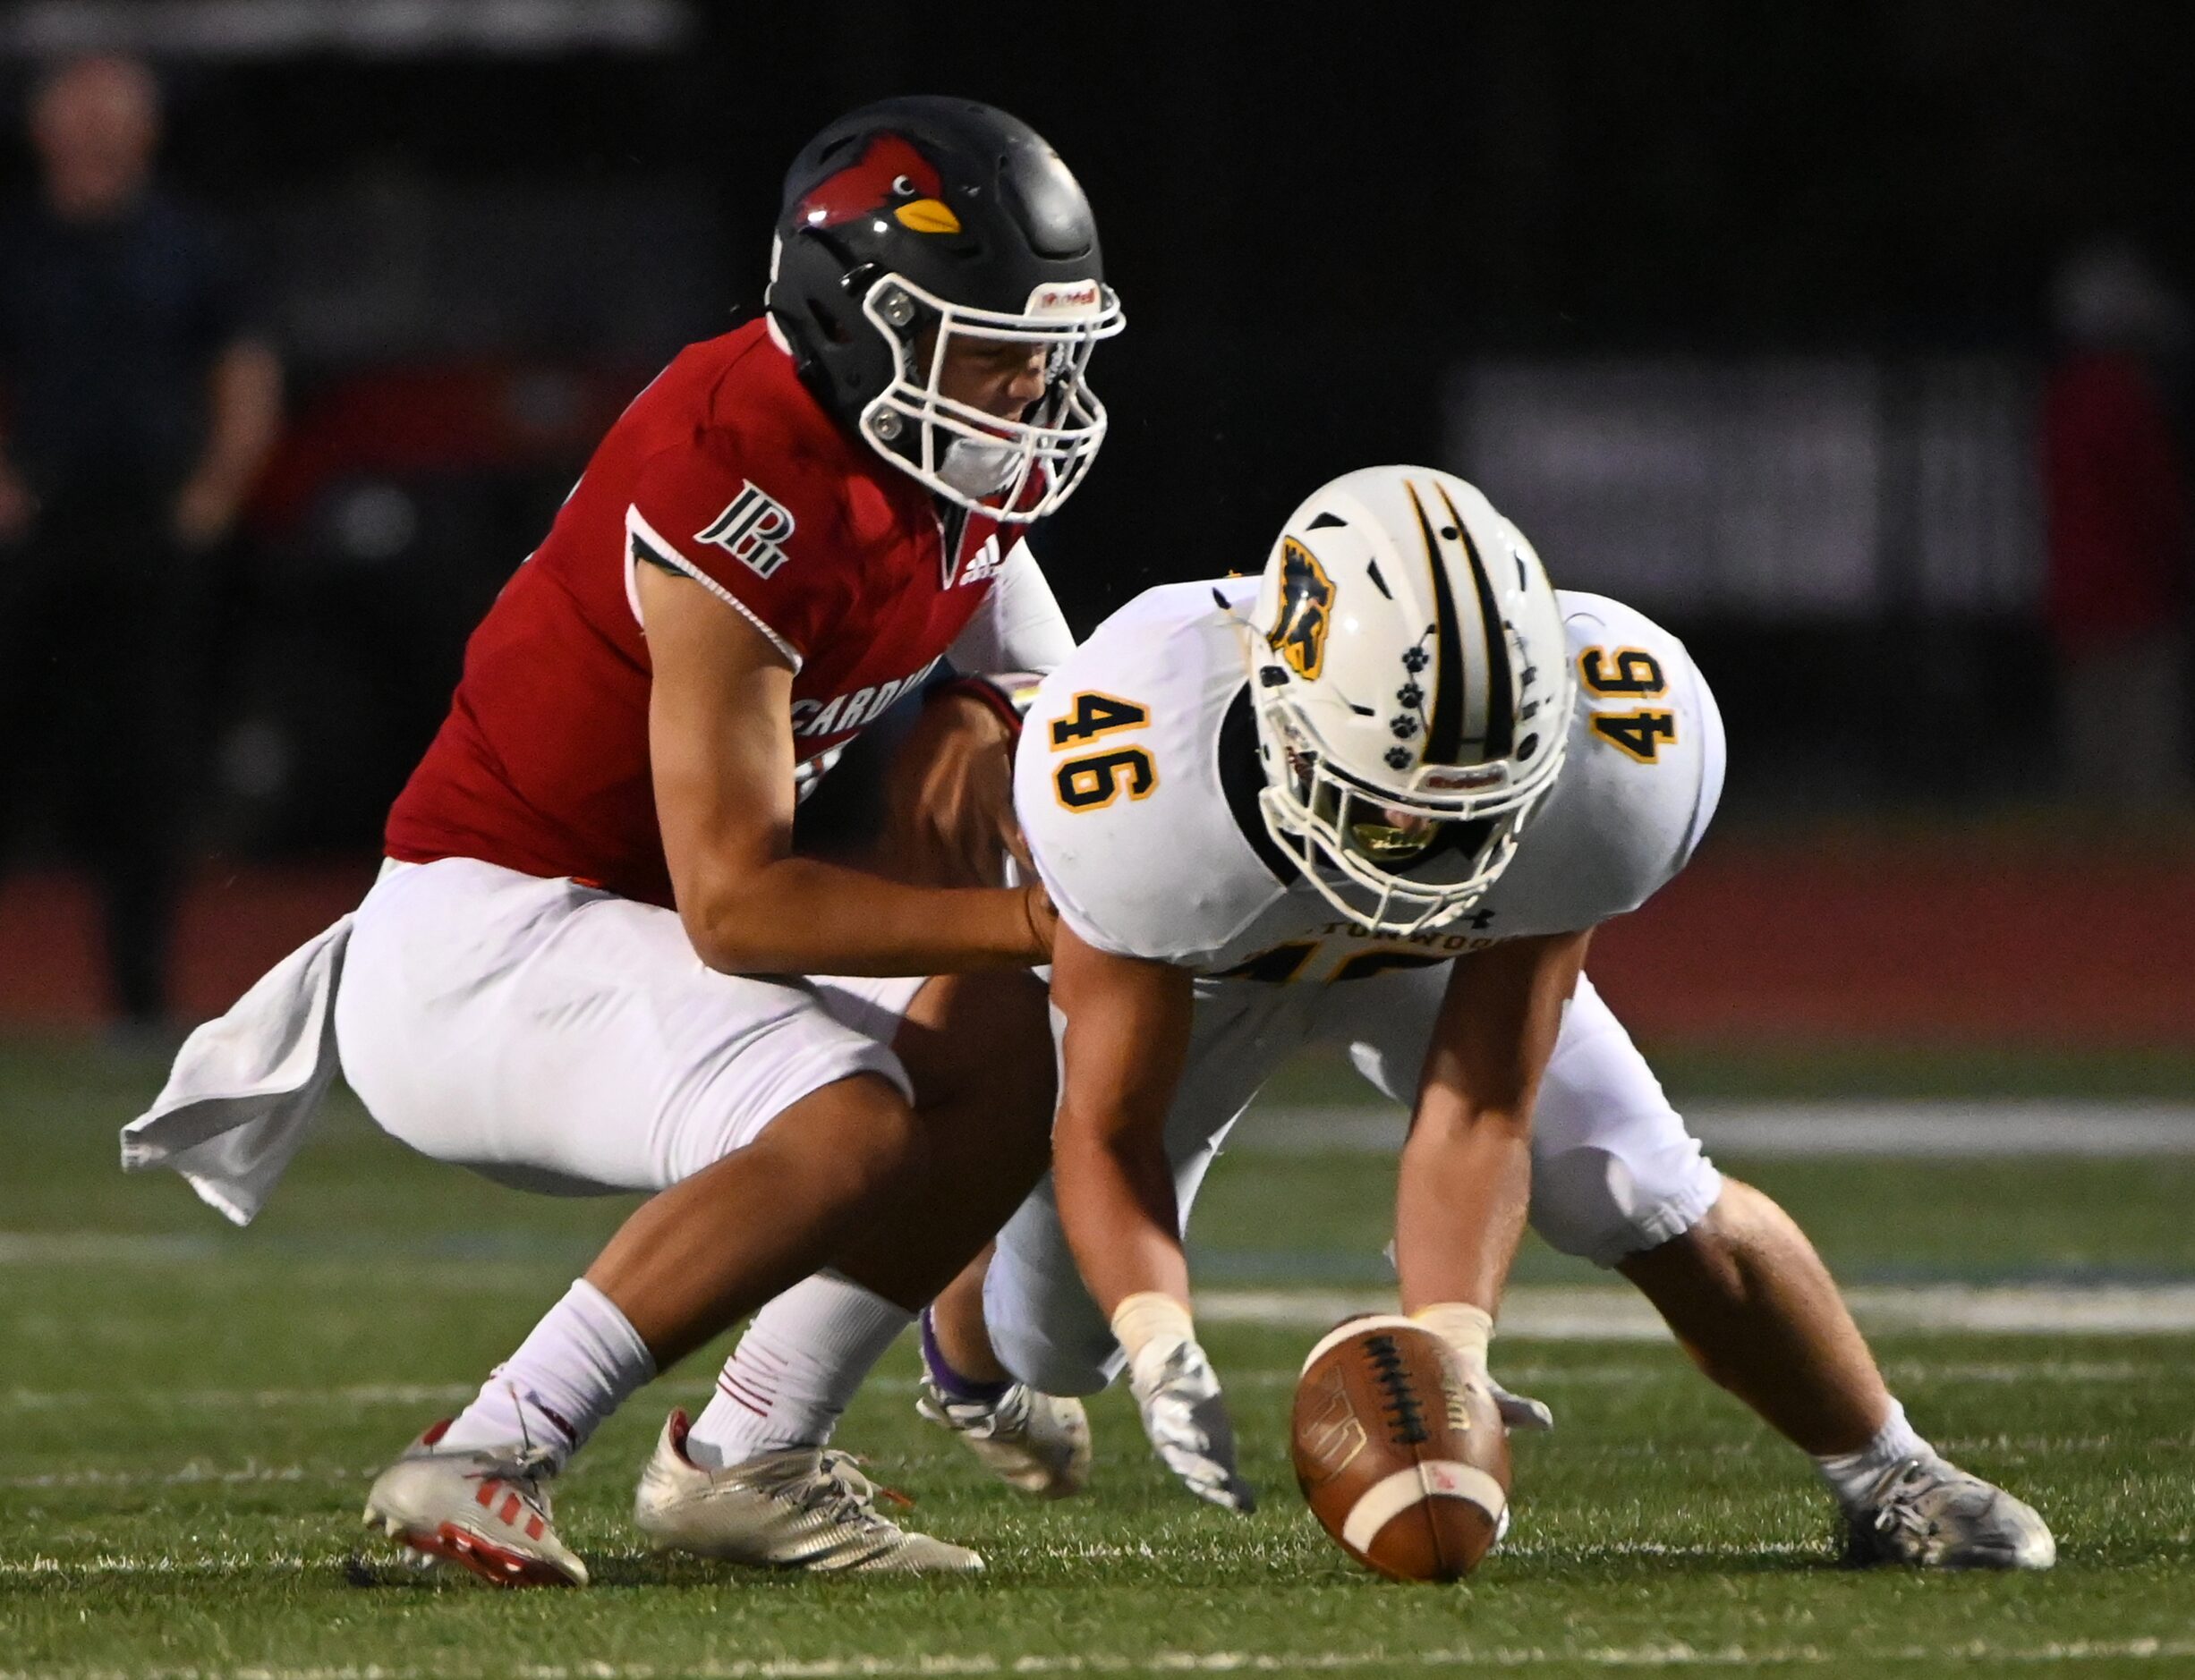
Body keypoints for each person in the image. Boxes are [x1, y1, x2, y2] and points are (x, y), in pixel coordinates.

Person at [123, 96, 1123, 1585]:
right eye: (991, 346)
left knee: (1011, 1052)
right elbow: (739, 908)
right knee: (853, 1109)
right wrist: (1043, 920)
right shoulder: (743, 466)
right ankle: (489, 1444)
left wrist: (991, 737)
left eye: (1047, 353)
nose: (1027, 391)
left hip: (616, 933)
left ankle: (750, 1457)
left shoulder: (939, 461)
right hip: (486, 946)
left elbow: (1043, 711)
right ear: (861, 321)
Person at [735, 465, 2056, 1569]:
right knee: (1056, 1339)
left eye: (1481, 800)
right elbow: (1111, 1124)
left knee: (1638, 1184)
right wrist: (1156, 1332)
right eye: (1400, 798)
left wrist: (1453, 1341)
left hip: (1436, 962)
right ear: (1283, 703)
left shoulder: (1615, 755)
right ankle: (964, 1350)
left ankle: (1893, 1471)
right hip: (1203, 961)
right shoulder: (1143, 770)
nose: (1433, 836)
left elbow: (1482, 1098)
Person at [0, 55, 282, 1028]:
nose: (94, 133)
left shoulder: (192, 248)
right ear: (42, 130)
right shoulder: (19, 246)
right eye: (76, 114)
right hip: (38, 531)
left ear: (147, 131)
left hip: (154, 530)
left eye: (113, 115)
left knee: (148, 766)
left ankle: (140, 997)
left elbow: (244, 374)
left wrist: (211, 496)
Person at [2042, 239, 2192, 808]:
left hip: (2078, 593)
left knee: (2095, 757)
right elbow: (2153, 501)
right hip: (2133, 593)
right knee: (2142, 756)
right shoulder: (2123, 396)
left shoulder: (2063, 397)